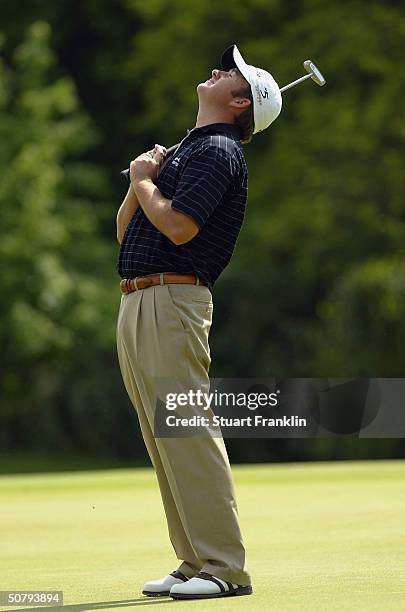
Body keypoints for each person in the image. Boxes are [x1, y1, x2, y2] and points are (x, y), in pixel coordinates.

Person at [116, 44, 282, 600]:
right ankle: (192, 561)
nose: (216, 69)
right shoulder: (193, 149)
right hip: (140, 299)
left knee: (186, 431)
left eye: (228, 72)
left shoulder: (217, 150)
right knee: (162, 437)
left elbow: (181, 228)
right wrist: (141, 180)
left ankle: (225, 568)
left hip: (173, 301)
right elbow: (128, 232)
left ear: (239, 101)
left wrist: (146, 181)